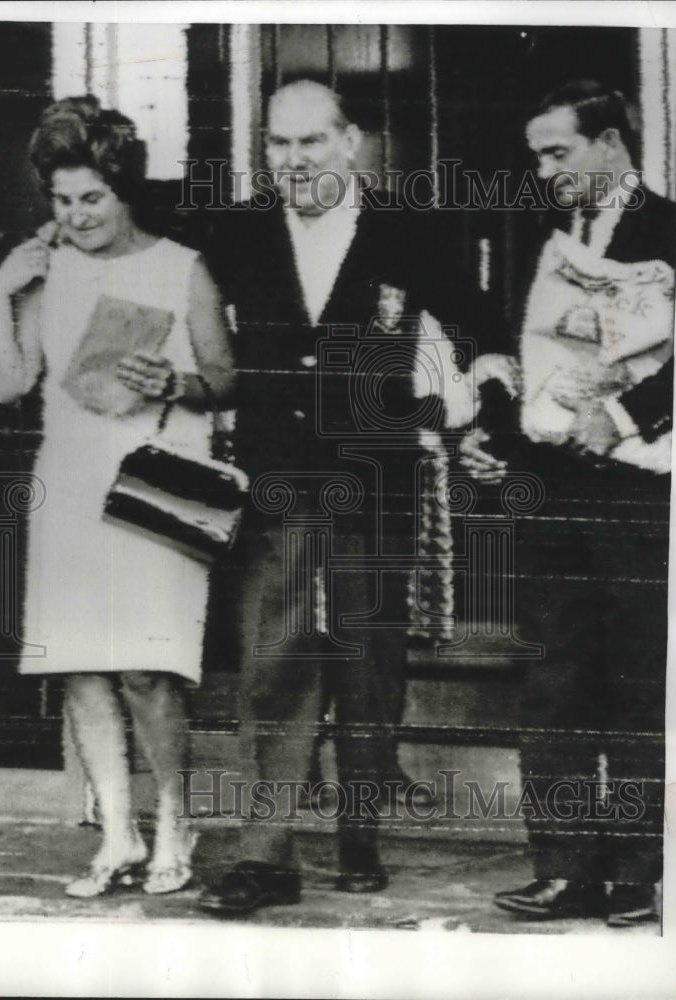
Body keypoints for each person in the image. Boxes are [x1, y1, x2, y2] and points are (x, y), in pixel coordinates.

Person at [197, 79, 510, 914]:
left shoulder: (411, 231)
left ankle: (359, 832)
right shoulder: (235, 233)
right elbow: (167, 291)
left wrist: (483, 410)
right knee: (276, 662)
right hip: (279, 482)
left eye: (309, 142)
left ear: (351, 142)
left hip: (377, 479)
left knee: (369, 661)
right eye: (277, 145)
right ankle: (265, 854)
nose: (292, 161)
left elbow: (482, 328)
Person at [0, 96, 234, 898]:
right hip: (70, 480)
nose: (76, 215)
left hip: (157, 482)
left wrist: (176, 380)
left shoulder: (180, 266)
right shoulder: (40, 271)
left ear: (124, 191)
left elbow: (228, 382)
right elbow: (8, 383)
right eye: (61, 200)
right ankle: (118, 835)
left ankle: (173, 825)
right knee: (84, 669)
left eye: (91, 197)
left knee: (149, 671)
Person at [461, 81, 676, 926]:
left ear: (613, 144)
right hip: (551, 491)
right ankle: (562, 867)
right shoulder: (536, 239)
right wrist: (493, 437)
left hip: (636, 489)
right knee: (554, 681)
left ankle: (636, 872)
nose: (546, 170)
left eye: (560, 152)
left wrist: (620, 415)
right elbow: (516, 356)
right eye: (538, 156)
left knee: (632, 682)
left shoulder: (674, 228)